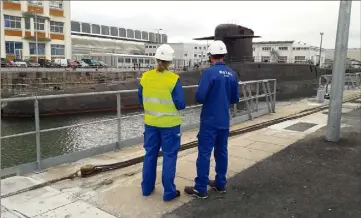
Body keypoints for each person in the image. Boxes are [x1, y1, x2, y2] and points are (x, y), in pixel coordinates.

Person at [184, 40, 240, 199]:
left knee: (204, 153)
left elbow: (200, 97)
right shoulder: (231, 73)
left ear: (211, 56)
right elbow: (235, 98)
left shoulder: (209, 73)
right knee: (222, 152)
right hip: (224, 120)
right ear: (223, 55)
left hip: (209, 121)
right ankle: (220, 184)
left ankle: (200, 188)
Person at [138, 44, 186, 202]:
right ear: (169, 62)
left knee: (150, 155)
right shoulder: (173, 79)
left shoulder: (145, 77)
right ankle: (169, 192)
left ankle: (146, 189)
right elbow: (180, 103)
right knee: (169, 156)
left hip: (150, 124)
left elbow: (141, 99)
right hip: (170, 125)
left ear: (156, 59)